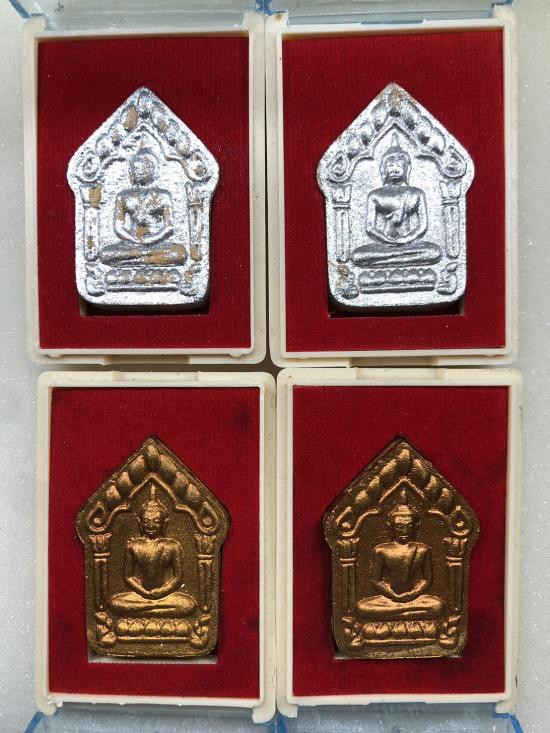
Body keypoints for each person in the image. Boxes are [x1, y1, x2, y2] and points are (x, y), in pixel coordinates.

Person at [352, 133, 441, 267]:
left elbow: (422, 226)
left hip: (410, 243)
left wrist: (406, 239)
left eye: (399, 164)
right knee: (358, 256)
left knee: (434, 252)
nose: (394, 169)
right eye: (390, 165)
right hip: (383, 244)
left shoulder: (416, 193)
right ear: (383, 169)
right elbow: (370, 228)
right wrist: (387, 240)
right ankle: (399, 259)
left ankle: (391, 260)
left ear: (407, 168)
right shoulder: (375, 195)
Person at [110, 486, 196, 618]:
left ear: (164, 523)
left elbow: (177, 578)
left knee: (188, 604)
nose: (151, 526)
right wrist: (143, 592)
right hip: (139, 596)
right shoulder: (133, 545)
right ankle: (154, 608)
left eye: (156, 522)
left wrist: (162, 591)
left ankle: (146, 609)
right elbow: (128, 577)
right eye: (146, 522)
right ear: (140, 522)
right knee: (114, 603)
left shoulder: (172, 546)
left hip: (166, 596)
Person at [356, 492, 444, 621]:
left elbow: (426, 580)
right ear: (390, 527)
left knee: (437, 605)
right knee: (362, 607)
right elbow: (376, 581)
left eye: (409, 526)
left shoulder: (422, 549)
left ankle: (395, 613)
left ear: (416, 527)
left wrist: (412, 594)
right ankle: (405, 612)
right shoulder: (381, 550)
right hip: (388, 599)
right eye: (399, 526)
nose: (405, 531)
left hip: (415, 599)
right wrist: (393, 596)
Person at [99, 146, 186, 267]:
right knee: (105, 254)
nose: (139, 171)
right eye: (135, 168)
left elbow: (169, 227)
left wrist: (151, 240)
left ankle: (136, 260)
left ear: (153, 170)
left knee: (179, 253)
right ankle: (150, 259)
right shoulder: (123, 196)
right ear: (131, 171)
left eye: (144, 167)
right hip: (131, 243)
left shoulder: (163, 195)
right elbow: (118, 227)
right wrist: (134, 240)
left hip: (156, 243)